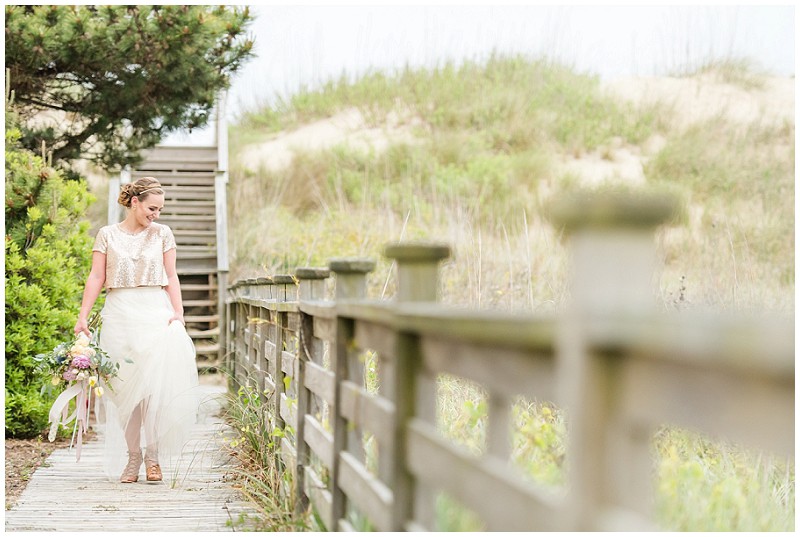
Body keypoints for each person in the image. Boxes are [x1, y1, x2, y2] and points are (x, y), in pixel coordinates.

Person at [74, 176, 200, 483]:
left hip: (154, 312)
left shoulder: (162, 234)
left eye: (159, 209)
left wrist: (178, 312)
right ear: (135, 202)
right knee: (123, 392)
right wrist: (82, 317)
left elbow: (171, 276)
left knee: (153, 391)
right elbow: (95, 277)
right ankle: (133, 458)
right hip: (118, 314)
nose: (156, 214)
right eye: (152, 208)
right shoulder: (106, 234)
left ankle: (153, 458)